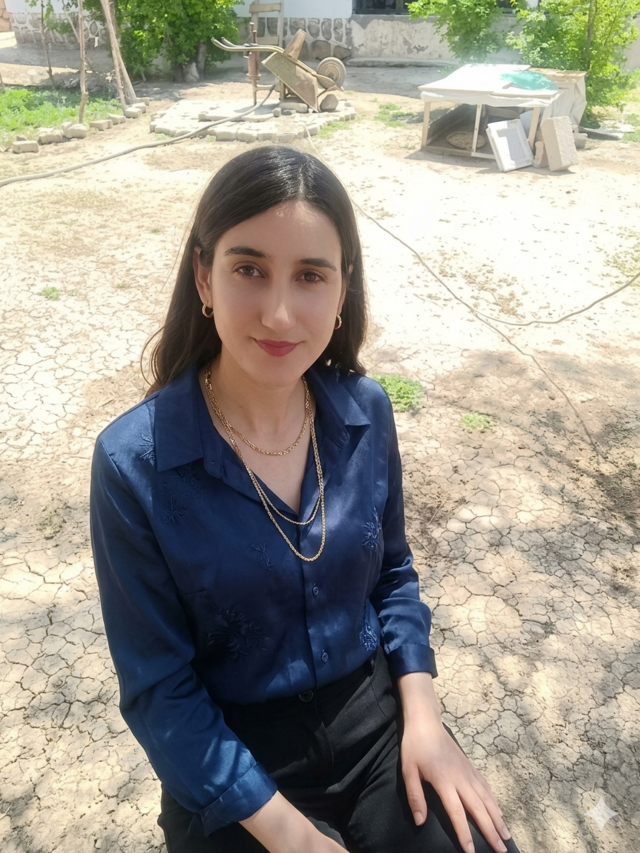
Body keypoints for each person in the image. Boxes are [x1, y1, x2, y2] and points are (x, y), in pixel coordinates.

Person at [90, 146, 521, 853]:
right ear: (203, 276)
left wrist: (425, 719)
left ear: (344, 287)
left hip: (376, 724)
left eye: (311, 275)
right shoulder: (135, 463)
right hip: (231, 762)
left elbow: (393, 573)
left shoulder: (365, 412)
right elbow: (158, 687)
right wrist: (293, 836)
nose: (280, 312)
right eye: (249, 269)